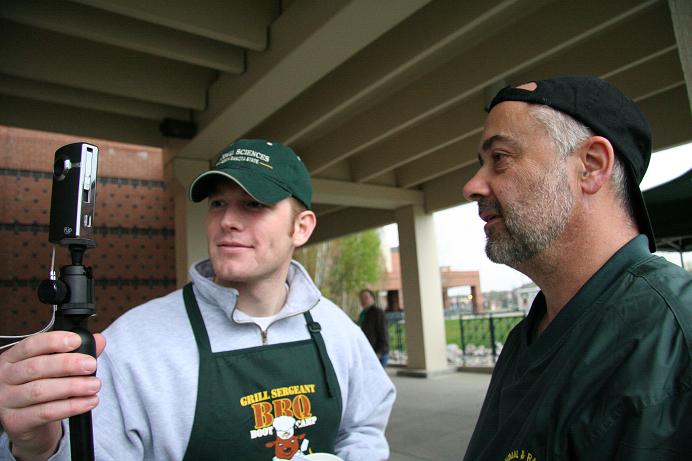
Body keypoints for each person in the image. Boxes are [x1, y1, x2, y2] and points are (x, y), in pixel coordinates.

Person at [0, 139, 396, 460]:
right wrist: (38, 449)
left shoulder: (337, 329)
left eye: (254, 204)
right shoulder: (135, 343)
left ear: (302, 227)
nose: (227, 221)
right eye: (218, 203)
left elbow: (363, 428)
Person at [461, 76, 692, 460]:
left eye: (499, 157)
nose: (471, 186)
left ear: (591, 165)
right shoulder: (526, 338)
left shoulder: (674, 336)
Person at [357, 289, 389, 367]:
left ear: (372, 299)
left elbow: (383, 333)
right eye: (361, 298)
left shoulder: (378, 313)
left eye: (366, 297)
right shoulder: (363, 314)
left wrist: (379, 353)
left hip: (378, 354)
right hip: (367, 353)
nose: (363, 300)